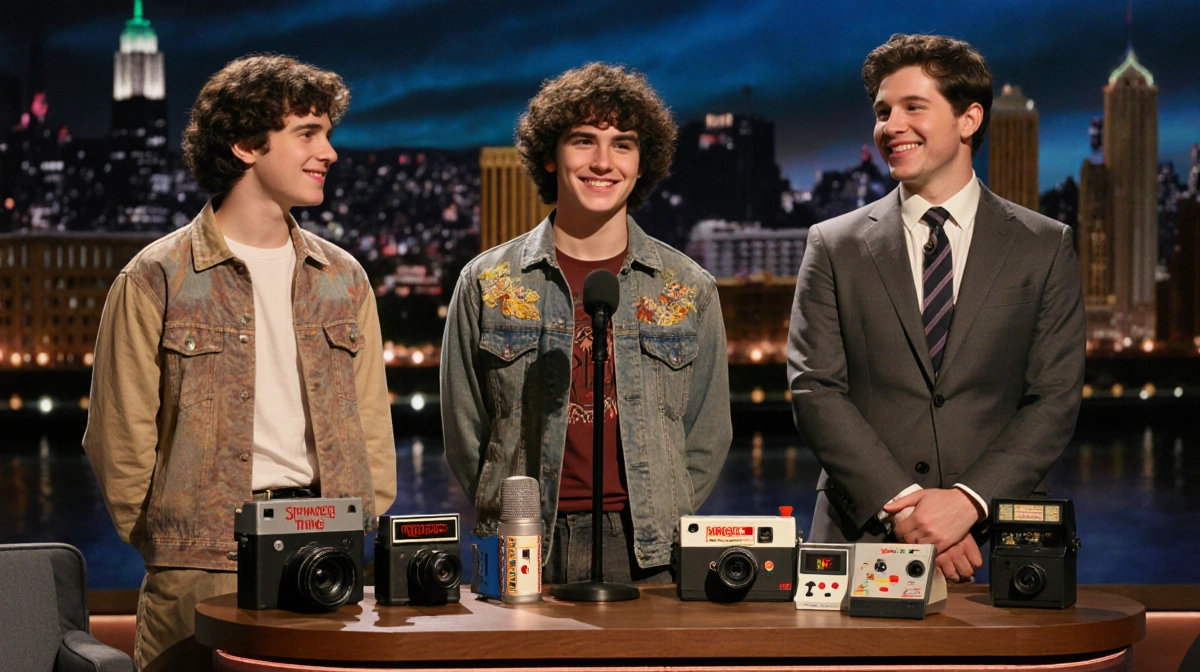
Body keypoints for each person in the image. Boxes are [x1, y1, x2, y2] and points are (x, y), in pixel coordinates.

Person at [83, 55, 395, 671]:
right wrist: (173, 541)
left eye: (328, 133)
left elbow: (370, 421)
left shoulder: (343, 278)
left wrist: (359, 519)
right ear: (246, 145)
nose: (329, 151)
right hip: (199, 563)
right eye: (308, 133)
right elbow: (118, 439)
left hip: (325, 549)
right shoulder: (156, 277)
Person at [787, 34, 1085, 583]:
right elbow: (814, 388)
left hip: (997, 545)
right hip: (862, 538)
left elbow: (1055, 398)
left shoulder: (1045, 244)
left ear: (969, 119)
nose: (889, 126)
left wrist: (968, 503)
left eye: (912, 107)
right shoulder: (833, 244)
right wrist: (907, 507)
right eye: (882, 112)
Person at [442, 63, 732, 584]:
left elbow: (707, 436)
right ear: (551, 157)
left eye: (622, 144)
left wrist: (662, 512)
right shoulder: (485, 282)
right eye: (583, 141)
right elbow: (466, 435)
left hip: (650, 552)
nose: (603, 161)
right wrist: (509, 512)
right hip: (523, 542)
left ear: (643, 164)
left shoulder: (688, 288)